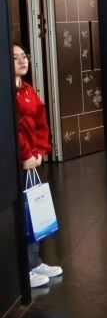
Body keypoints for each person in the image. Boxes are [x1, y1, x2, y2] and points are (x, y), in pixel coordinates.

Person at [14, 44, 61, 288]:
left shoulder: (28, 89)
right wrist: (26, 154)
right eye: (15, 58)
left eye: (24, 56)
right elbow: (13, 128)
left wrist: (41, 151)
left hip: (33, 159)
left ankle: (34, 262)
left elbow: (41, 122)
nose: (22, 61)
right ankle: (24, 269)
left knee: (34, 210)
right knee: (21, 214)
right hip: (19, 161)